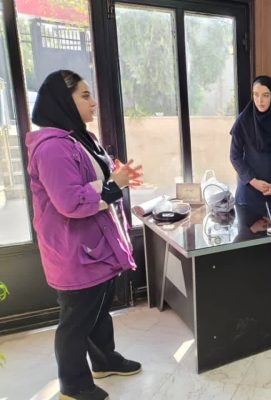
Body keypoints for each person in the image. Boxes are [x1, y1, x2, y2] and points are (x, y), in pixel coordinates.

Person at [26, 70, 143, 400]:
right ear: (64, 101)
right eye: (85, 95)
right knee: (76, 322)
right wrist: (114, 184)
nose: (93, 103)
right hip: (74, 251)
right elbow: (71, 201)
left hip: (95, 245)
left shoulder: (79, 137)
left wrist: (117, 175)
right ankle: (73, 384)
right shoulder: (52, 147)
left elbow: (95, 178)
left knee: (98, 310)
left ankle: (105, 360)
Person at [230, 75, 271, 223]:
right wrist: (253, 181)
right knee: (248, 238)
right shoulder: (243, 120)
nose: (260, 100)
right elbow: (235, 156)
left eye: (265, 95)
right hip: (249, 195)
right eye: (256, 94)